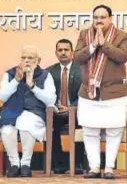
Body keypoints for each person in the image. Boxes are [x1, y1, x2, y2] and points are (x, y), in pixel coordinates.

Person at [73, 4, 127, 179]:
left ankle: (109, 168)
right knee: (90, 131)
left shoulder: (122, 36)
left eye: (102, 17)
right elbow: (77, 57)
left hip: (114, 93)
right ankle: (94, 167)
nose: (98, 21)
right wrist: (92, 45)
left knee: (114, 131)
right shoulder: (84, 35)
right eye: (96, 17)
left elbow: (123, 56)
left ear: (110, 19)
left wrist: (103, 45)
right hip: (89, 93)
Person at [0, 45, 56, 178]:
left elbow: (50, 100)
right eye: (23, 57)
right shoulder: (10, 73)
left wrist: (32, 86)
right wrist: (16, 80)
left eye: (30, 58)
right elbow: (1, 97)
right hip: (11, 111)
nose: (26, 61)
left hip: (34, 112)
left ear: (38, 61)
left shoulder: (45, 75)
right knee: (7, 129)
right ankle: (14, 164)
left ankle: (25, 164)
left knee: (26, 125)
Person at [47, 39, 84, 175]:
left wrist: (71, 108)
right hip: (57, 112)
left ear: (72, 52)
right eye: (60, 50)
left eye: (66, 50)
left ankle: (78, 163)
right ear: (56, 53)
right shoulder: (49, 72)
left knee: (82, 121)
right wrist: (55, 107)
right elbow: (45, 94)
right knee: (49, 123)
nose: (63, 53)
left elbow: (86, 93)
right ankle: (59, 163)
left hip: (77, 111)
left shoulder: (82, 70)